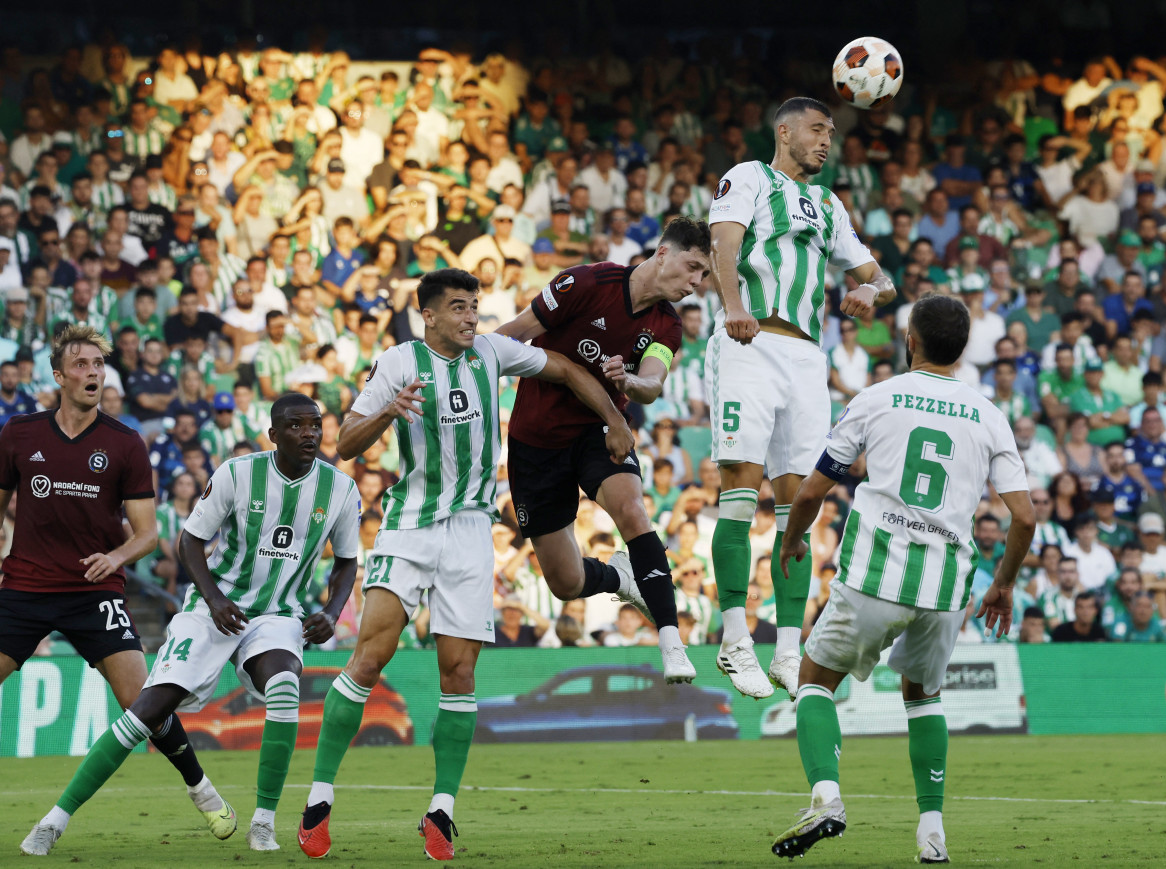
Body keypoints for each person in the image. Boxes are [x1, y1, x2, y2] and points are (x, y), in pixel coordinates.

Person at [297, 268, 632, 861]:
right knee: (371, 654)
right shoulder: (399, 363)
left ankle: (441, 811)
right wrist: (388, 411)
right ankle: (320, 798)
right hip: (411, 523)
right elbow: (345, 442)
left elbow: (567, 369)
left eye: (474, 306)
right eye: (458, 307)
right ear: (427, 315)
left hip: (473, 530)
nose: (471, 317)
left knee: (459, 672)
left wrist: (615, 418)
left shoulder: (493, 352)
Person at [0, 327, 230, 854]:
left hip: (93, 594)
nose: (93, 373)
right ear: (58, 376)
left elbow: (147, 533)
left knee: (142, 703)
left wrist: (116, 556)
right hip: (25, 589)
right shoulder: (20, 433)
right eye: (81, 364)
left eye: (99, 364)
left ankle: (204, 791)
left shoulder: (124, 442)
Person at [22, 394, 359, 855]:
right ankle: (53, 821)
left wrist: (332, 610)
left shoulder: (340, 489)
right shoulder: (238, 473)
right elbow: (190, 541)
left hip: (278, 613)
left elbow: (346, 562)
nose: (310, 434)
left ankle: (263, 822)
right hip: (212, 607)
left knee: (284, 683)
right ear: (274, 434)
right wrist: (216, 599)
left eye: (316, 425)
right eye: (296, 426)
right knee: (149, 710)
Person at [768, 294, 1034, 863]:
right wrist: (1003, 584)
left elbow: (814, 488)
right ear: (962, 349)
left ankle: (827, 798)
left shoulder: (877, 397)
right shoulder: (989, 414)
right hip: (945, 589)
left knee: (814, 680)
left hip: (874, 576)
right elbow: (1027, 516)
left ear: (910, 340)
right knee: (924, 696)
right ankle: (932, 830)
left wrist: (792, 538)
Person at [704, 96, 898, 700]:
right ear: (783, 130)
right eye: (816, 130)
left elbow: (878, 274)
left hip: (807, 358)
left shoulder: (828, 204)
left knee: (801, 506)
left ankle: (788, 648)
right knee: (741, 488)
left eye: (831, 133)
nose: (826, 141)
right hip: (751, 341)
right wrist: (734, 305)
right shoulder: (749, 178)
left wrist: (877, 292)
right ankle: (735, 636)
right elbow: (723, 244)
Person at [496, 217, 712, 683]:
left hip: (602, 428)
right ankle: (619, 578)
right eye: (693, 267)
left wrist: (628, 381)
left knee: (633, 510)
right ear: (662, 253)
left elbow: (652, 383)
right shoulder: (587, 281)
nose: (696, 283)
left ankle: (672, 643)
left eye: (705, 276)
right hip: (536, 438)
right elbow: (516, 330)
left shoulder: (666, 325)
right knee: (565, 583)